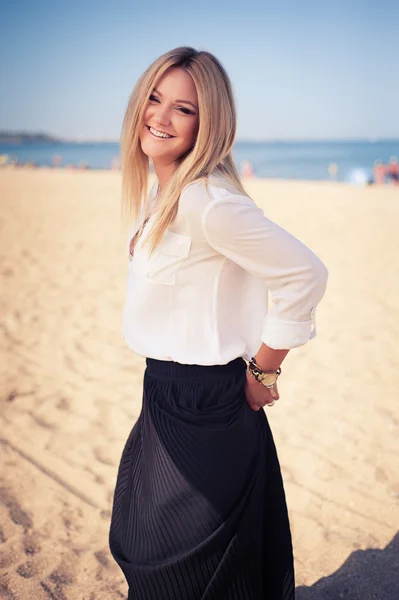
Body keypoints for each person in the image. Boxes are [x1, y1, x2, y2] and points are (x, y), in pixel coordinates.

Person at [108, 46, 328, 600]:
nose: (159, 117)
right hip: (163, 393)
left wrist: (266, 371)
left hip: (207, 403)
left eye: (183, 109)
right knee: (146, 547)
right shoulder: (165, 191)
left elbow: (304, 274)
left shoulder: (208, 201)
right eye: (154, 99)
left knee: (178, 570)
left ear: (208, 124)